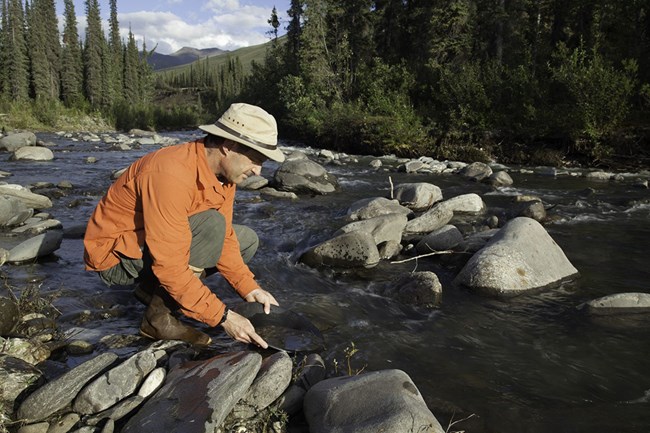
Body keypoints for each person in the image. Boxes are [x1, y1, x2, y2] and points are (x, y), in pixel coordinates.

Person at [83, 103, 285, 348]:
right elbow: (171, 265)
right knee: (211, 226)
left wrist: (249, 288)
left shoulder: (224, 177)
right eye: (255, 159)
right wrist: (223, 317)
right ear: (228, 146)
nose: (258, 170)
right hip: (116, 258)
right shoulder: (171, 173)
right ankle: (157, 320)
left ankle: (152, 292)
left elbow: (227, 239)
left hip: (153, 245)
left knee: (245, 239)